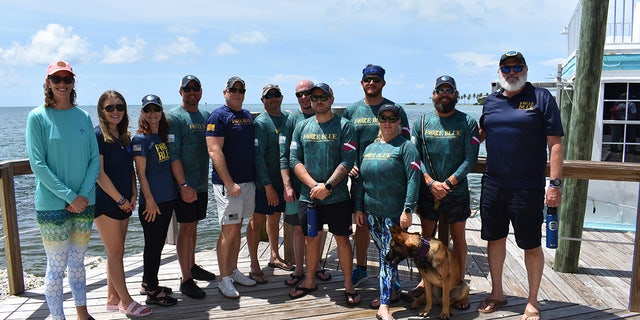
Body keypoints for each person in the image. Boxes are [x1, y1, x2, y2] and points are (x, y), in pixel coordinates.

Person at [478, 51, 564, 320]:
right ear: (499, 72)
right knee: (494, 239)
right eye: (506, 68)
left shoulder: (541, 98)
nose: (512, 72)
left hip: (528, 186)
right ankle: (497, 292)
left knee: (531, 245)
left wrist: (556, 184)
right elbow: (477, 135)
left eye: (517, 67)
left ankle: (533, 300)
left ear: (525, 69)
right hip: (493, 184)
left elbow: (556, 144)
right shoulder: (490, 102)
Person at [25, 60, 99, 320]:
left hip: (85, 203)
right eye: (56, 79)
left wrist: (81, 196)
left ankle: (83, 313)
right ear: (48, 83)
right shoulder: (37, 117)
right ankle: (58, 317)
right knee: (56, 268)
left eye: (67, 79)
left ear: (73, 83)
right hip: (51, 206)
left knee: (77, 263)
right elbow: (38, 164)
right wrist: (70, 197)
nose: (62, 84)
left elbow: (94, 160)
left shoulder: (83, 117)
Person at [406, 75, 480, 310]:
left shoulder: (467, 122)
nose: (444, 94)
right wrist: (429, 182)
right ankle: (424, 280)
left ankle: (457, 281)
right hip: (428, 190)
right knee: (426, 240)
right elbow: (415, 158)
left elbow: (470, 158)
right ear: (433, 94)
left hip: (456, 191)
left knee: (458, 238)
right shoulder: (421, 122)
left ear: (456, 94)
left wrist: (448, 184)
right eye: (440, 90)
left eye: (449, 90)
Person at [288, 82, 361, 306]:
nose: (318, 101)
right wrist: (314, 187)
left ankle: (348, 285)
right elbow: (294, 159)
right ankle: (309, 280)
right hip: (308, 198)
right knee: (312, 238)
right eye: (314, 97)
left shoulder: (345, 126)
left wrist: (327, 187)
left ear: (331, 99)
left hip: (337, 197)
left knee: (342, 240)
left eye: (323, 97)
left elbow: (348, 160)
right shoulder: (301, 127)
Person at [342, 64, 410, 288]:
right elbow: (344, 142)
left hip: (391, 180)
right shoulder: (352, 111)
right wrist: (350, 163)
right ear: (362, 83)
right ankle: (361, 267)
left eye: (376, 79)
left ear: (383, 83)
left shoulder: (395, 108)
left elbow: (407, 143)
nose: (372, 83)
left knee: (394, 229)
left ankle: (393, 276)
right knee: (361, 224)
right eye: (368, 79)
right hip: (362, 179)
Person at [354, 104, 421, 320]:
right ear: (378, 121)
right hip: (372, 211)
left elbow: (413, 179)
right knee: (387, 255)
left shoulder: (406, 147)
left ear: (400, 122)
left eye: (392, 118)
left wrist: (408, 209)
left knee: (386, 257)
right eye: (383, 118)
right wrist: (359, 208)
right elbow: (362, 182)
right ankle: (393, 291)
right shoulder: (370, 148)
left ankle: (383, 306)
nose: (387, 122)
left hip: (394, 213)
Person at [94, 90, 152, 316]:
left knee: (117, 251)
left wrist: (133, 193)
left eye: (119, 107)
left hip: (125, 202)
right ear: (101, 111)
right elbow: (99, 173)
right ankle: (126, 301)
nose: (115, 111)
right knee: (115, 253)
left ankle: (112, 297)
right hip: (106, 203)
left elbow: (130, 170)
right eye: (109, 108)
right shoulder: (98, 135)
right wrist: (118, 199)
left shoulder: (124, 136)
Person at [206, 76, 257, 299]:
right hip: (229, 184)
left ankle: (234, 270)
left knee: (238, 227)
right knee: (228, 229)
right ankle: (223, 278)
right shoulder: (218, 116)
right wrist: (229, 182)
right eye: (233, 89)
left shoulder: (246, 116)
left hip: (247, 182)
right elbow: (214, 151)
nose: (237, 93)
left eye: (241, 89)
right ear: (225, 92)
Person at [167, 75, 216, 300]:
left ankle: (193, 265)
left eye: (196, 88)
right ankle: (186, 279)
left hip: (200, 183)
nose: (192, 92)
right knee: (185, 229)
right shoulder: (175, 117)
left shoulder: (206, 116)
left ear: (201, 91)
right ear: (181, 92)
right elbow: (173, 153)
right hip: (183, 185)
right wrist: (183, 185)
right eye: (188, 89)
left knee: (194, 226)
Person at [280, 80, 332, 287]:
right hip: (298, 187)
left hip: (325, 188)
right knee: (297, 228)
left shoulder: (327, 116)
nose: (304, 97)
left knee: (317, 228)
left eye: (307, 93)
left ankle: (316, 265)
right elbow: (284, 154)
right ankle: (299, 268)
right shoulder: (292, 119)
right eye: (299, 94)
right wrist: (287, 185)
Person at [132, 94, 178, 307]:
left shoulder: (161, 136)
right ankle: (152, 291)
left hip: (167, 199)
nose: (153, 114)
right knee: (153, 246)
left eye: (156, 110)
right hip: (153, 204)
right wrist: (149, 200)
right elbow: (141, 173)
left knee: (156, 245)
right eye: (148, 110)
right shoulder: (140, 140)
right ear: (143, 113)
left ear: (161, 112)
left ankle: (147, 282)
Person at [247, 84, 294, 285]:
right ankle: (254, 264)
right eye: (269, 96)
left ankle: (274, 255)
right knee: (256, 221)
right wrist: (266, 186)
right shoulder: (260, 123)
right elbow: (257, 157)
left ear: (282, 97)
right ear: (263, 100)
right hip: (263, 184)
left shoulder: (287, 120)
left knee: (275, 218)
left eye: (276, 95)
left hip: (284, 181)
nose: (273, 99)